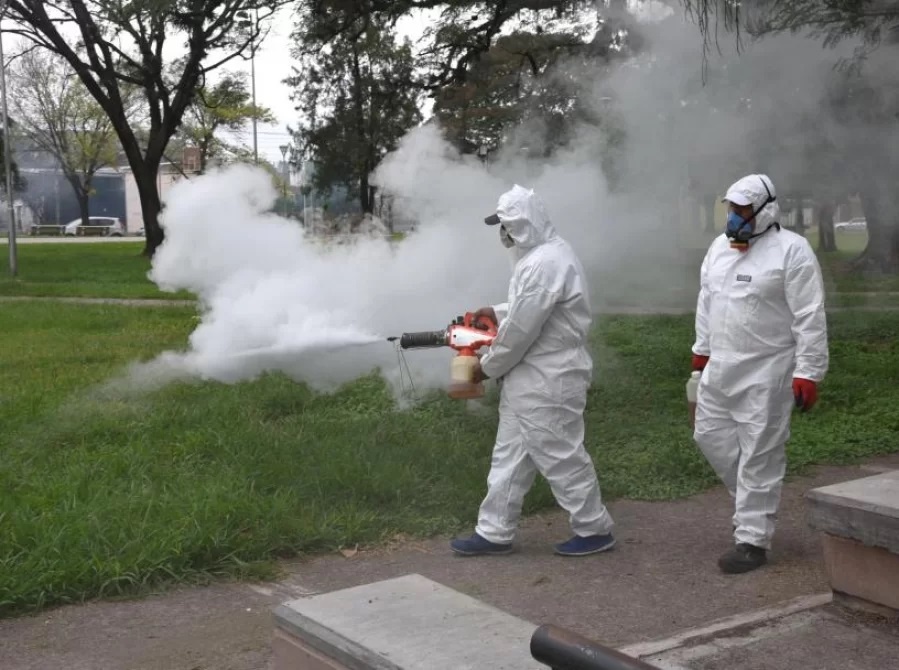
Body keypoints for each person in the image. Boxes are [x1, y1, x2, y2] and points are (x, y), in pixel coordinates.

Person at [449, 184, 615, 557]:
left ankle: (594, 528)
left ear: (521, 224)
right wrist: (496, 310)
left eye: (504, 224)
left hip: (549, 376)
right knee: (509, 456)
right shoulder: (545, 255)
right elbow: (530, 308)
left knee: (560, 454)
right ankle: (493, 531)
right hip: (532, 376)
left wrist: (483, 368)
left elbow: (521, 331)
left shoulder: (544, 262)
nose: (501, 233)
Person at [692, 174, 829, 574]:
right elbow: (707, 301)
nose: (734, 217)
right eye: (731, 209)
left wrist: (809, 371)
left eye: (742, 210)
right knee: (709, 435)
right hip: (721, 365)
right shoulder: (719, 249)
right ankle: (754, 501)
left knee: (760, 452)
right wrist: (701, 352)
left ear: (766, 210)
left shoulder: (792, 251)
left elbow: (809, 315)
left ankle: (752, 539)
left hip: (768, 367)